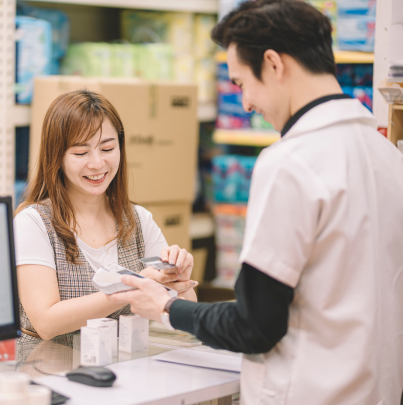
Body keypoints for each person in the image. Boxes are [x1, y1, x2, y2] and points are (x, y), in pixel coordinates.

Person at [108, 0, 403, 404]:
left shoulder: (290, 162)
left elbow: (255, 325)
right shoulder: (387, 155)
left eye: (242, 83)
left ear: (274, 64)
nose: (245, 104)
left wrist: (165, 306)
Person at [14, 89, 198, 342]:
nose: (97, 163)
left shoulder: (138, 220)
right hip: (50, 371)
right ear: (56, 157)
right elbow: (46, 322)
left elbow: (184, 321)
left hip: (126, 371)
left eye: (107, 148)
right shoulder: (32, 223)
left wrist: (180, 278)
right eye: (80, 153)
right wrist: (134, 285)